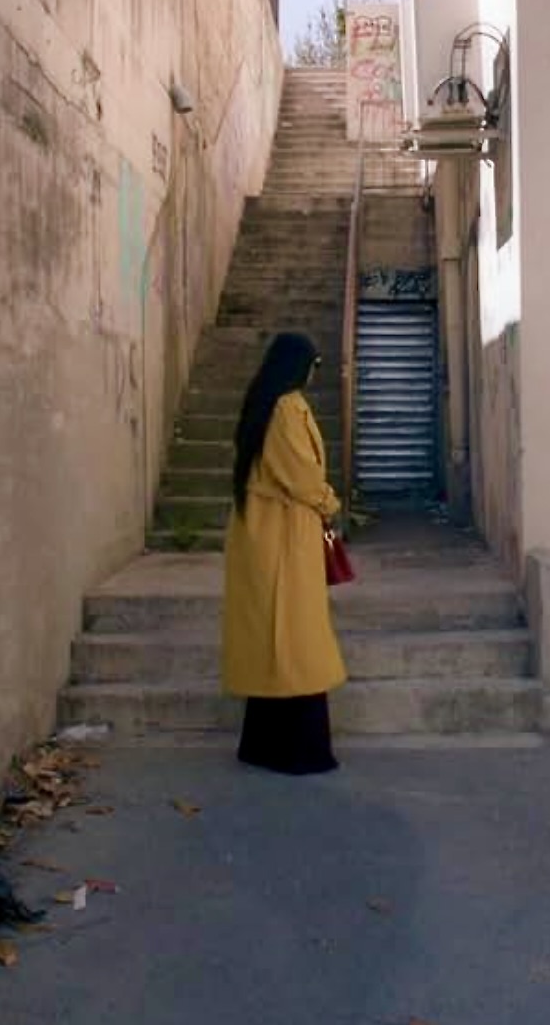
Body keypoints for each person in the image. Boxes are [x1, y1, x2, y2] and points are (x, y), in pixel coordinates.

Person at [219, 332, 347, 775]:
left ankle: (262, 745)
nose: (315, 373)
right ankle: (300, 750)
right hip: (286, 536)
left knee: (274, 640)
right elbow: (301, 475)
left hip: (265, 533)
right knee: (296, 640)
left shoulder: (262, 404)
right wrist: (330, 503)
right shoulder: (286, 408)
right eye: (315, 364)